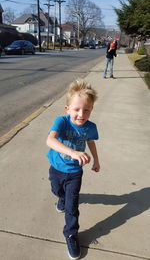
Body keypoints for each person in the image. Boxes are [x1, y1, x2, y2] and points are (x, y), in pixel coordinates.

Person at [46, 79, 100, 259]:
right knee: (57, 190)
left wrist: (96, 161)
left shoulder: (91, 127)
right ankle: (60, 199)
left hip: (75, 172)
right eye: (77, 109)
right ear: (67, 109)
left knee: (72, 206)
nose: (81, 114)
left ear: (91, 110)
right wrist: (73, 152)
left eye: (86, 110)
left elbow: (91, 142)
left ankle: (71, 233)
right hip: (56, 167)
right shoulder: (61, 121)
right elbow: (50, 140)